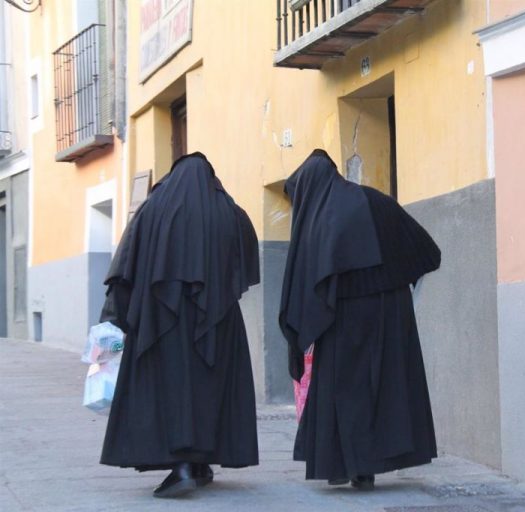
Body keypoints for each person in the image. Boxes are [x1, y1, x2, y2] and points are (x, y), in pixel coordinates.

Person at [99, 152, 261, 498]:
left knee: (172, 392)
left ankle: (183, 466)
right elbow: (247, 263)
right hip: (218, 321)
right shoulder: (231, 213)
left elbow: (126, 263)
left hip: (163, 319)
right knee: (210, 390)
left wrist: (116, 317)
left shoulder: (155, 208)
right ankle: (201, 463)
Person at [279, 149, 441, 490]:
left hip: (345, 316)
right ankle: (366, 466)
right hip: (393, 314)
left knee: (344, 391)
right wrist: (394, 279)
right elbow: (428, 251)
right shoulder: (377, 201)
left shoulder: (321, 218)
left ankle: (351, 466)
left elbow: (311, 282)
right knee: (387, 387)